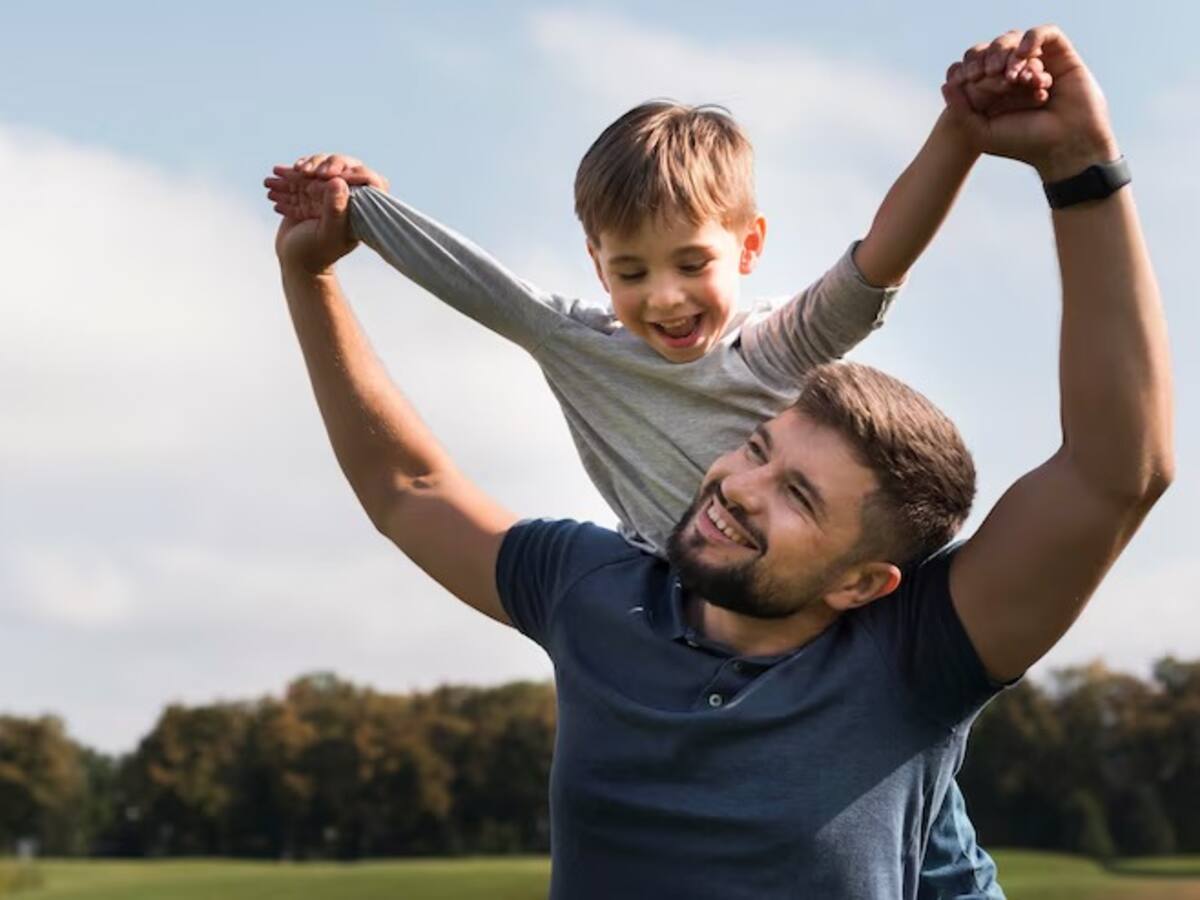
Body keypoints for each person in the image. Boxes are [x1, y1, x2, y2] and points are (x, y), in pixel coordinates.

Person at [271, 24, 1172, 899]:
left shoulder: (915, 659)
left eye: (799, 498)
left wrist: (1079, 167)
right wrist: (311, 276)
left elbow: (1113, 473)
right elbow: (407, 486)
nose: (737, 489)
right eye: (755, 448)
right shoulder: (593, 592)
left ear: (866, 581)